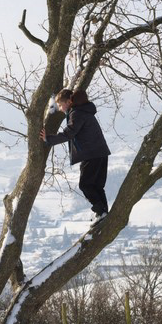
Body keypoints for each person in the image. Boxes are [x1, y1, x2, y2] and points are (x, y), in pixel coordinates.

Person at [40, 88, 111, 226]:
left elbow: (68, 134)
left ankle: (101, 212)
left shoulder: (77, 113)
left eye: (61, 105)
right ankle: (103, 213)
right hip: (100, 153)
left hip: (92, 155)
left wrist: (48, 139)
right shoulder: (84, 111)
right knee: (96, 186)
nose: (60, 109)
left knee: (85, 185)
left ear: (68, 102)